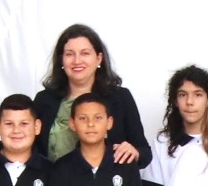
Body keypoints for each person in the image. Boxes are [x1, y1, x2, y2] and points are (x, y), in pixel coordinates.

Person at [35, 25, 149, 166]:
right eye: (70, 54)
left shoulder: (120, 98)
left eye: (85, 53)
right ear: (61, 60)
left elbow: (145, 153)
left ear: (99, 58)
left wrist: (135, 152)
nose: (77, 61)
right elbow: (31, 151)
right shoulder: (44, 100)